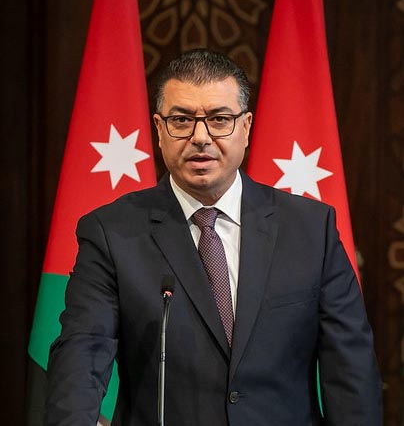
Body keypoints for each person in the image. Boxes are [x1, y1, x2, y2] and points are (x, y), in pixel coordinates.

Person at [45, 49, 383, 425]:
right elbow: (83, 352)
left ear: (246, 127)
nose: (200, 137)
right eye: (181, 120)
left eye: (220, 119)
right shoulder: (111, 232)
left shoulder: (310, 229)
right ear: (159, 129)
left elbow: (350, 370)